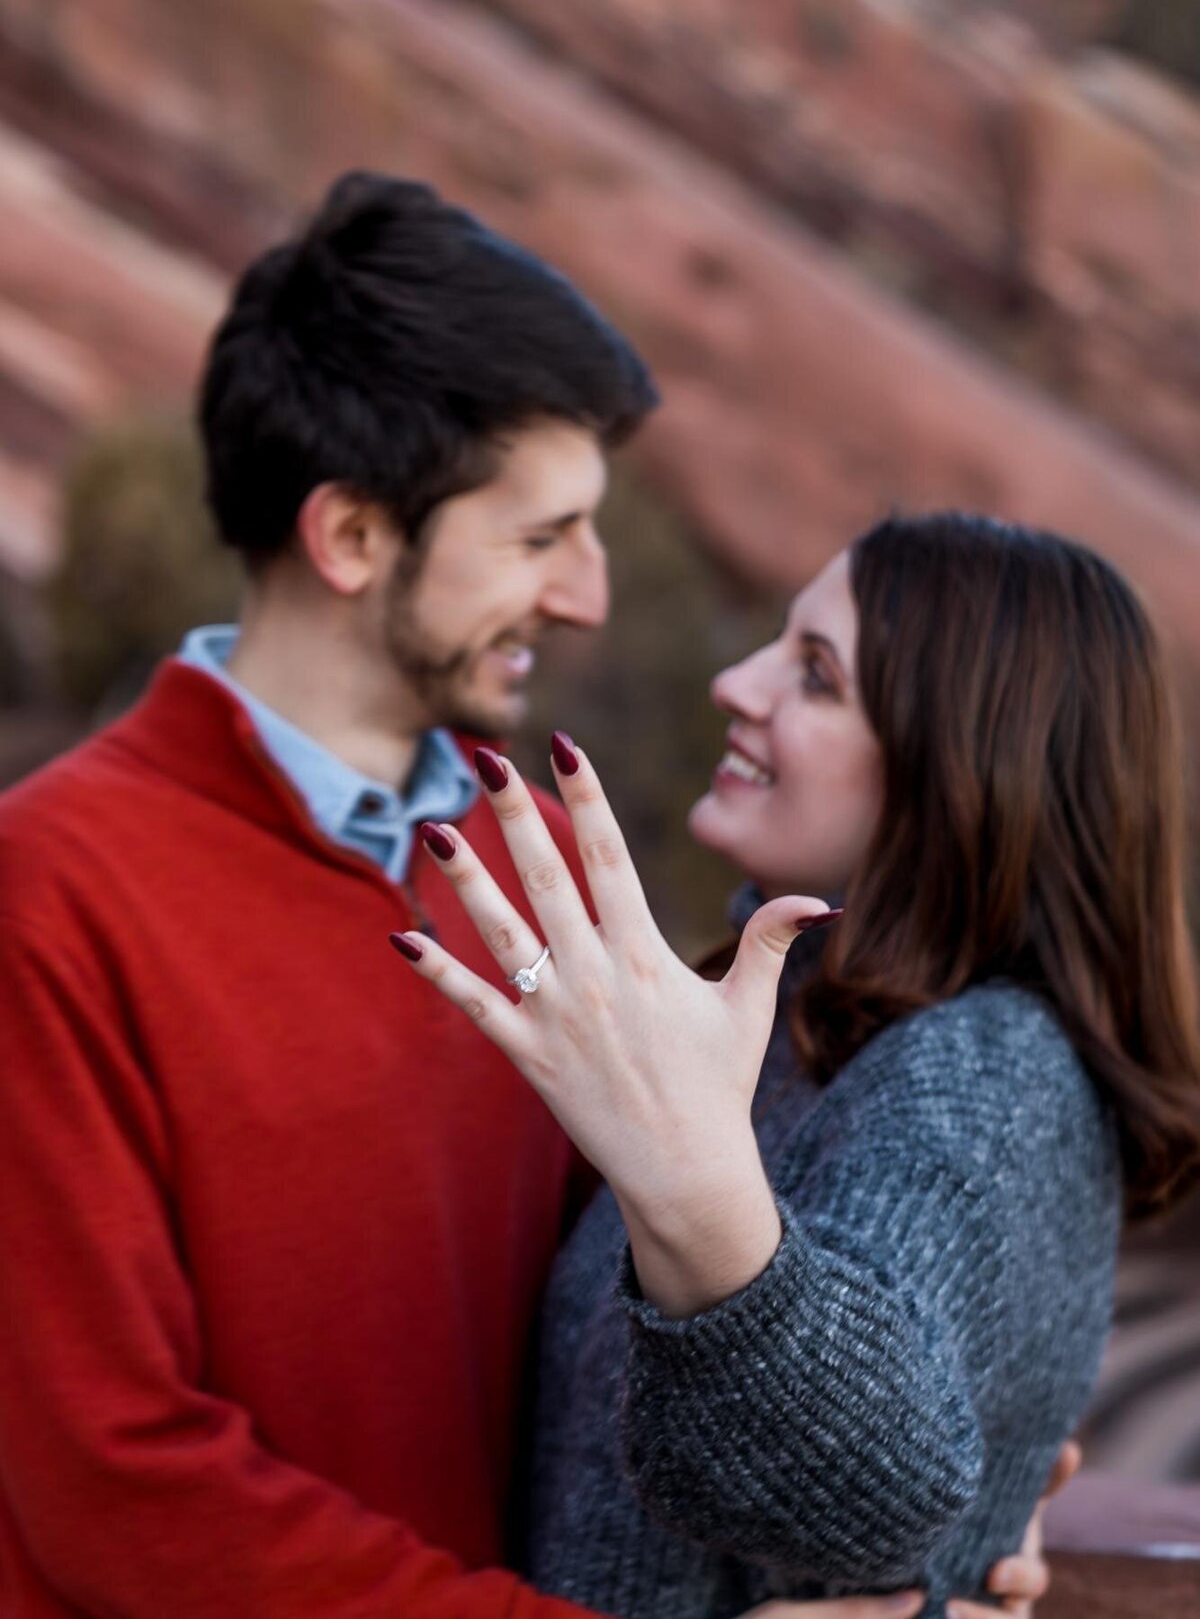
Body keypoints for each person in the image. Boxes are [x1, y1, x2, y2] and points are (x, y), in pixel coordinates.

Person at [0, 173, 1052, 1619]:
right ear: (354, 538)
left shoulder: (545, 860)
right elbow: (110, 1482)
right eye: (542, 535)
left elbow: (655, 1315)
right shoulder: (53, 888)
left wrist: (963, 1482)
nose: (590, 597)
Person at [393, 514, 1200, 1619]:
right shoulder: (814, 1030)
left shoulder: (988, 1066)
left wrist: (699, 1202)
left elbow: (881, 1487)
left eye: (815, 675)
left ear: (959, 765)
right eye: (778, 644)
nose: (737, 682)